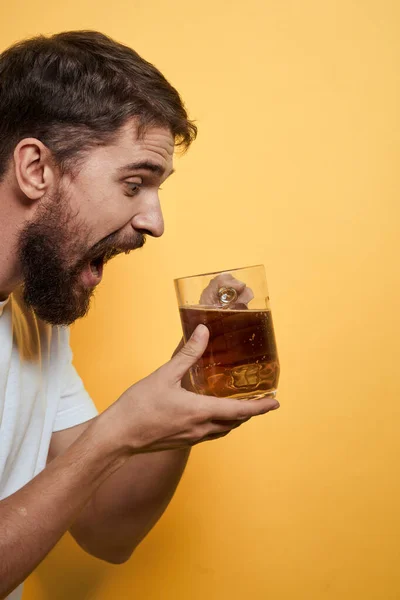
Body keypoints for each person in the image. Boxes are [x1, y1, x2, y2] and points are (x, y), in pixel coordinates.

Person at [0, 30, 280, 600]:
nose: (155, 222)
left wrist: (183, 399)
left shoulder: (35, 324)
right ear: (36, 169)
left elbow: (108, 530)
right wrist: (114, 436)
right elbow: (99, 455)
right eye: (135, 183)